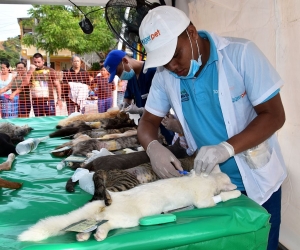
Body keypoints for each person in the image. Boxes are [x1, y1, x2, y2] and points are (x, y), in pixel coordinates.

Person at [138, 6, 287, 250]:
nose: (173, 66)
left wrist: (226, 148)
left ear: (192, 33)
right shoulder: (165, 77)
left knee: (260, 243)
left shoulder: (240, 54)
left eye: (176, 54)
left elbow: (274, 115)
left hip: (258, 184)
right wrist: (153, 147)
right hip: (211, 187)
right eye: (165, 62)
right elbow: (147, 122)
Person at [104, 49, 175, 145]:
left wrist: (140, 110)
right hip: (146, 127)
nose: (120, 77)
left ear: (125, 61)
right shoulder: (132, 77)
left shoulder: (154, 71)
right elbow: (128, 98)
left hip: (163, 125)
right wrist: (124, 105)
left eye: (119, 72)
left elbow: (164, 107)